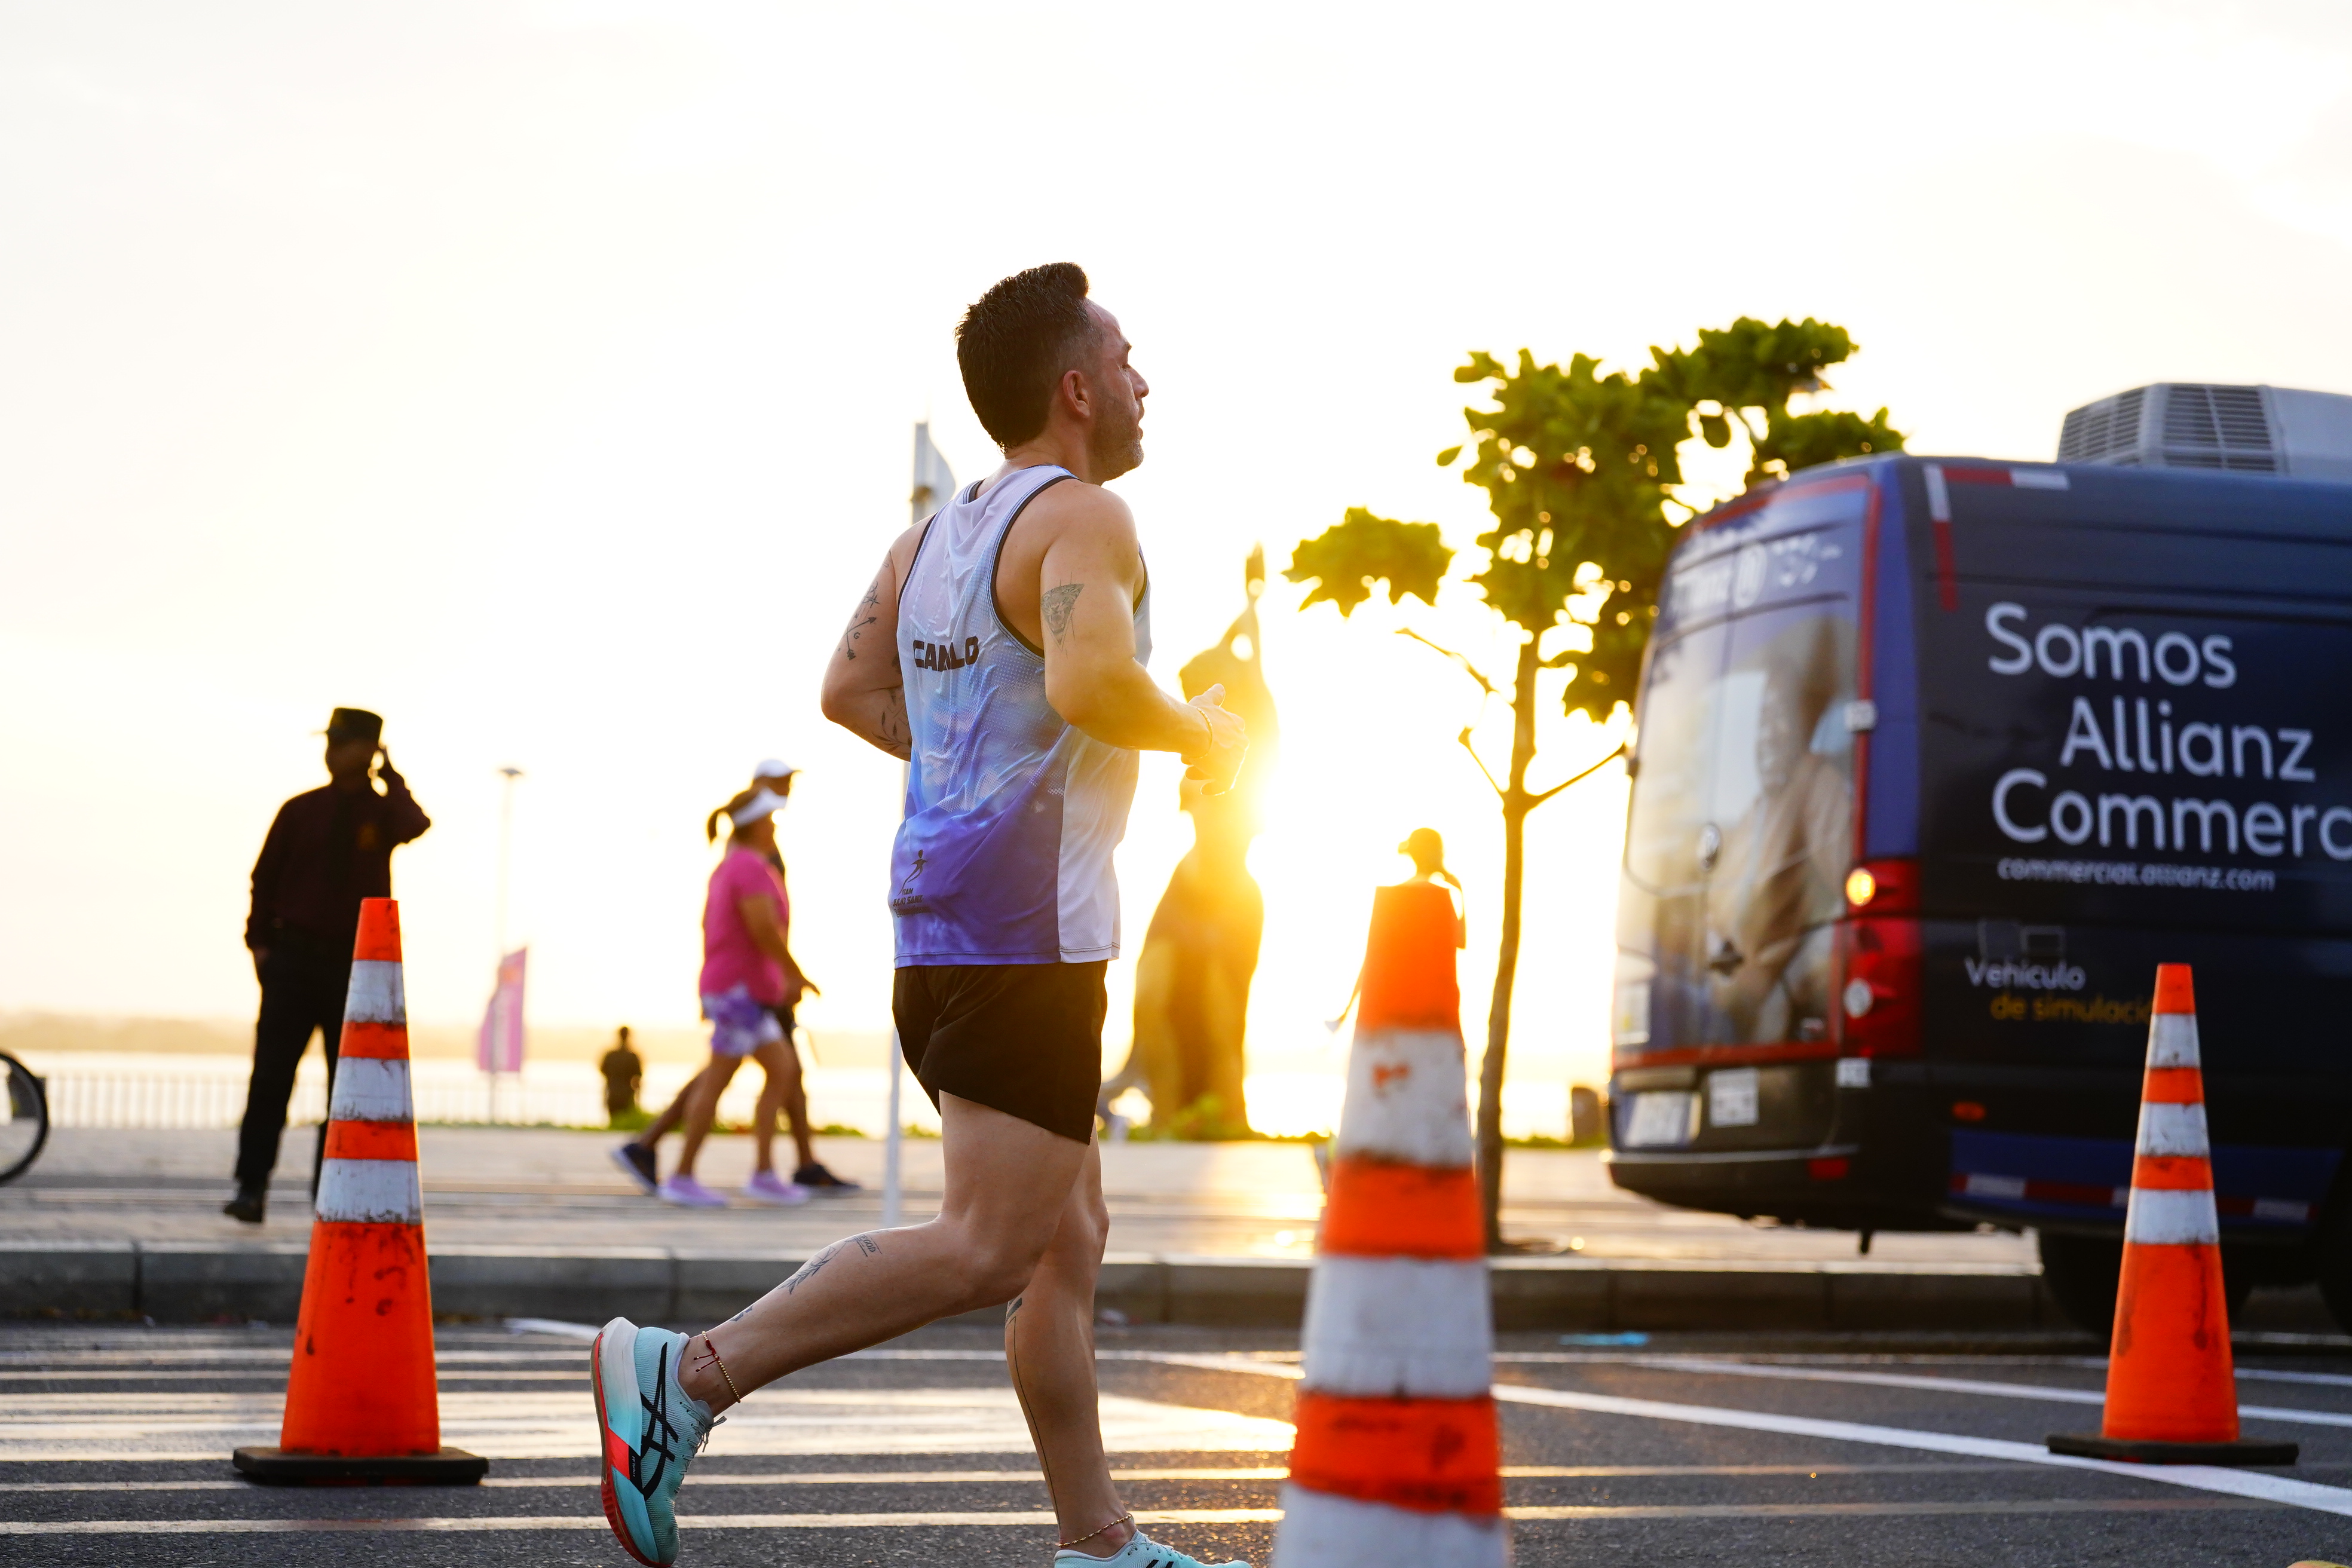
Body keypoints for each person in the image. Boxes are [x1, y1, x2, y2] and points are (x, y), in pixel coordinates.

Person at [590, 263, 1249, 1568]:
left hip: (933, 936)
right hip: (1027, 949)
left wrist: (968, 770)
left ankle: (1100, 1542)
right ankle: (691, 1373)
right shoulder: (1088, 521)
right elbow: (1092, 678)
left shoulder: (930, 539)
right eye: (1124, 358)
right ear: (1074, 389)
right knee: (989, 1248)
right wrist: (1203, 732)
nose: (1141, 379)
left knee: (1069, 1243)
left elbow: (847, 686)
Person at [610, 761, 860, 1196]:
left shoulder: (749, 859)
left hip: (751, 987)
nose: (780, 814)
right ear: (758, 814)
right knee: (718, 1078)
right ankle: (683, 1175)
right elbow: (762, 927)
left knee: (780, 1070)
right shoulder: (746, 864)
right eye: (774, 808)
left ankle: (765, 1174)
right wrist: (793, 974)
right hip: (739, 989)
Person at [228, 708, 430, 1224]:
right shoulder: (300, 811)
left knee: (350, 1088)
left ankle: (333, 1195)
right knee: (271, 1078)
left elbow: (416, 824)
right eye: (331, 741)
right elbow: (263, 879)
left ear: (365, 750)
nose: (330, 751)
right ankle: (251, 1187)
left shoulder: (383, 813)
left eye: (341, 742)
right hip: (292, 961)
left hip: (354, 969)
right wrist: (261, 949)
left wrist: (391, 776)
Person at [600, 1027, 644, 1123]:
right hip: (627, 1096)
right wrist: (638, 1098)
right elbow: (638, 1079)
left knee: (614, 1123)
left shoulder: (611, 1056)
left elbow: (604, 1073)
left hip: (613, 1094)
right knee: (625, 1123)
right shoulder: (632, 1056)